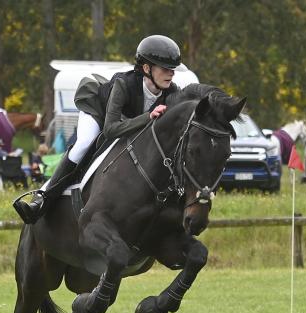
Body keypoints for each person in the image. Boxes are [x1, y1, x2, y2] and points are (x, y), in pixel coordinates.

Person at [13, 34, 182, 224]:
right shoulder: (123, 84)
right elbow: (110, 130)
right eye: (166, 69)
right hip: (98, 113)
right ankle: (42, 198)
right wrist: (148, 117)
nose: (171, 73)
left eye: (173, 69)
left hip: (127, 122)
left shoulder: (172, 92)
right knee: (84, 144)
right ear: (146, 68)